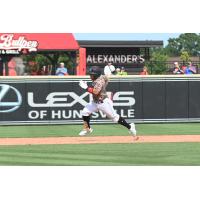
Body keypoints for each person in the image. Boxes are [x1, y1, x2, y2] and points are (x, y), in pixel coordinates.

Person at [78, 66, 137, 139]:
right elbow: (106, 78)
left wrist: (86, 87)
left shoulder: (99, 81)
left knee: (115, 118)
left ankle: (130, 127)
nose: (90, 76)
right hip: (95, 102)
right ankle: (87, 129)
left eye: (92, 74)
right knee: (85, 112)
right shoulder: (101, 77)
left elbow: (96, 92)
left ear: (96, 75)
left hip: (103, 102)